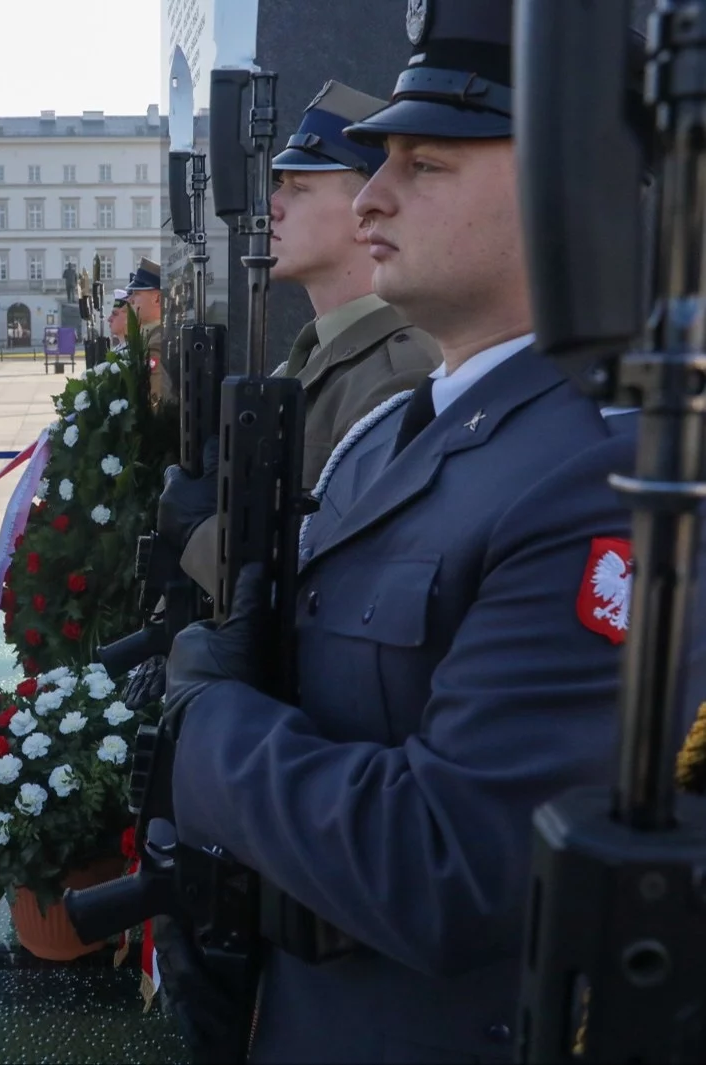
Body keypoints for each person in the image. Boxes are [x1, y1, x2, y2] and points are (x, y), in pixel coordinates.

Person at [155, 2, 678, 1061]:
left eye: (426, 164)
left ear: (563, 190)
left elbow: (455, 868)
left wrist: (204, 730)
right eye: (379, 159)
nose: (373, 198)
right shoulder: (399, 427)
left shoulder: (603, 478)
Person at [168, 80, 443, 595]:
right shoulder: (311, 354)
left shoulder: (398, 377)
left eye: (300, 186)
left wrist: (201, 534)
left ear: (369, 208)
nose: (272, 205)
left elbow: (335, 581)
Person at [124, 258, 170, 403]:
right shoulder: (153, 336)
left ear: (157, 299)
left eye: (136, 294)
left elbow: (156, 401)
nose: (130, 299)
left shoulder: (157, 341)